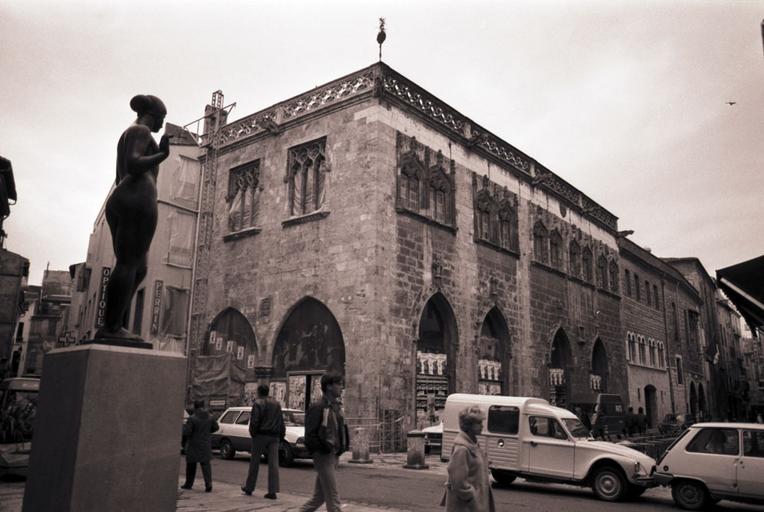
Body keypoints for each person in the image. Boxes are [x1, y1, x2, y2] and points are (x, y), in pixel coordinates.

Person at [95, 94, 171, 341]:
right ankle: (111, 327)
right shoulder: (140, 131)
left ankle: (116, 323)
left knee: (139, 268)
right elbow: (134, 163)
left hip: (128, 196)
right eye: (162, 119)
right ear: (154, 116)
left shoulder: (132, 133)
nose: (161, 125)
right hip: (137, 198)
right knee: (129, 264)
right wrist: (162, 155)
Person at [298, 373, 350, 512]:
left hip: (334, 454)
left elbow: (340, 429)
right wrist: (322, 449)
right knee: (333, 499)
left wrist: (342, 446)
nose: (341, 387)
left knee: (319, 497)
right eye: (338, 384)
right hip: (323, 455)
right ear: (328, 387)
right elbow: (310, 434)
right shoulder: (318, 407)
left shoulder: (336, 406)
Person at [440, 406, 495, 512]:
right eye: (478, 423)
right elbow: (459, 482)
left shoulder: (473, 444)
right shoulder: (462, 449)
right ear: (468, 425)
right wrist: (471, 496)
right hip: (466, 507)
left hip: (476, 504)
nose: (482, 426)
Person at [242, 384, 286, 499]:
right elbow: (281, 421)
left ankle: (249, 487)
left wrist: (253, 433)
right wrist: (281, 435)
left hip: (261, 435)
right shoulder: (276, 404)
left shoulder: (258, 403)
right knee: (273, 464)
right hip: (274, 436)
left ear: (259, 392)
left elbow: (255, 421)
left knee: (254, 462)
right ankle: (272, 491)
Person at [181, 400, 219, 492]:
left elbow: (187, 432)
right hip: (205, 444)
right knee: (206, 465)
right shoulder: (210, 417)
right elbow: (216, 427)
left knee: (191, 465)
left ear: (195, 407)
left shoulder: (192, 418)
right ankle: (208, 484)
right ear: (203, 406)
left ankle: (189, 483)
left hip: (193, 444)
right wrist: (207, 432)